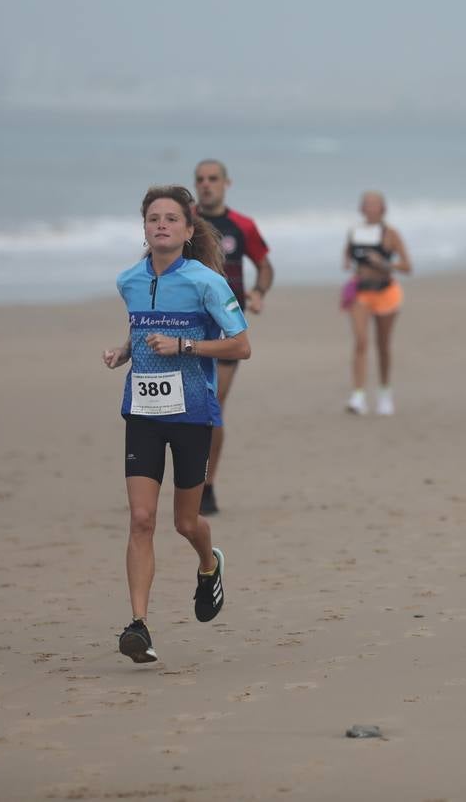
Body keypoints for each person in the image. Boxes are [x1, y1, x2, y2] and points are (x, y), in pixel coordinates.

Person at [103, 185, 250, 665]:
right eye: (152, 218)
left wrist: (186, 347)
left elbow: (240, 346)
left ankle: (209, 565)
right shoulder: (128, 279)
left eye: (170, 219)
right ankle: (138, 625)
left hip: (191, 412)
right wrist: (126, 349)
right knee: (141, 519)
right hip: (143, 411)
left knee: (184, 522)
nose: (160, 225)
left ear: (188, 230)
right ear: (144, 228)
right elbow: (141, 326)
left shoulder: (206, 282)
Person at [192, 159, 272, 515]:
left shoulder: (243, 226)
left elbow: (265, 265)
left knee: (212, 408)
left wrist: (258, 292)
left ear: (227, 183)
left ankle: (206, 485)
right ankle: (186, 480)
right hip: (189, 325)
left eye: (213, 179)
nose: (206, 185)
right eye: (201, 179)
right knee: (185, 409)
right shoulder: (183, 221)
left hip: (226, 328)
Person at [343, 191, 412, 415]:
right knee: (361, 342)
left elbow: (407, 266)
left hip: (386, 292)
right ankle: (358, 395)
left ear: (383, 208)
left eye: (375, 204)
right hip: (361, 292)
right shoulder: (354, 231)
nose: (371, 208)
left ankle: (384, 392)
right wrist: (351, 262)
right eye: (367, 204)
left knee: (383, 345)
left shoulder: (390, 234)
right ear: (361, 208)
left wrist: (383, 263)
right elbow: (346, 258)